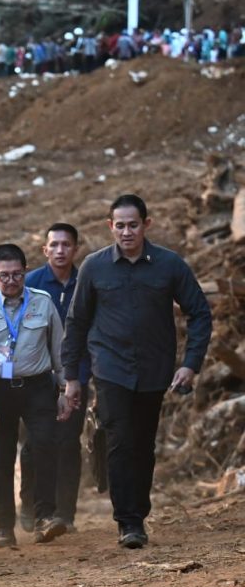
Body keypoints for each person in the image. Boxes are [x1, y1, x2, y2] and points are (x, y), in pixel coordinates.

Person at [62, 194, 212, 549]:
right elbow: (77, 322)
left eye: (133, 225)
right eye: (120, 225)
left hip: (154, 370)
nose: (126, 232)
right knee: (120, 439)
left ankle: (138, 514)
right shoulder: (95, 267)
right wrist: (72, 377)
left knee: (143, 444)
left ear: (147, 225)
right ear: (109, 226)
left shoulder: (169, 265)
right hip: (110, 368)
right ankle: (128, 522)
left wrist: (190, 363)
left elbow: (200, 313)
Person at [0, 244, 70, 549]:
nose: (11, 281)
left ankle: (45, 517)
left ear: (26, 272)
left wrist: (65, 388)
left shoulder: (43, 302)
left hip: (38, 386)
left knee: (45, 447)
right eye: (4, 275)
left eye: (17, 274)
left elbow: (59, 348)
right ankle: (4, 528)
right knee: (3, 459)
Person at [22, 223, 89, 532]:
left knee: (68, 442)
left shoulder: (86, 281)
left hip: (76, 375)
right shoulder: (31, 283)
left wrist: (83, 377)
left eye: (66, 245)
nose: (60, 251)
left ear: (76, 249)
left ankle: (64, 513)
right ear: (45, 249)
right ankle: (30, 506)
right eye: (54, 245)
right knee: (35, 443)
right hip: (35, 378)